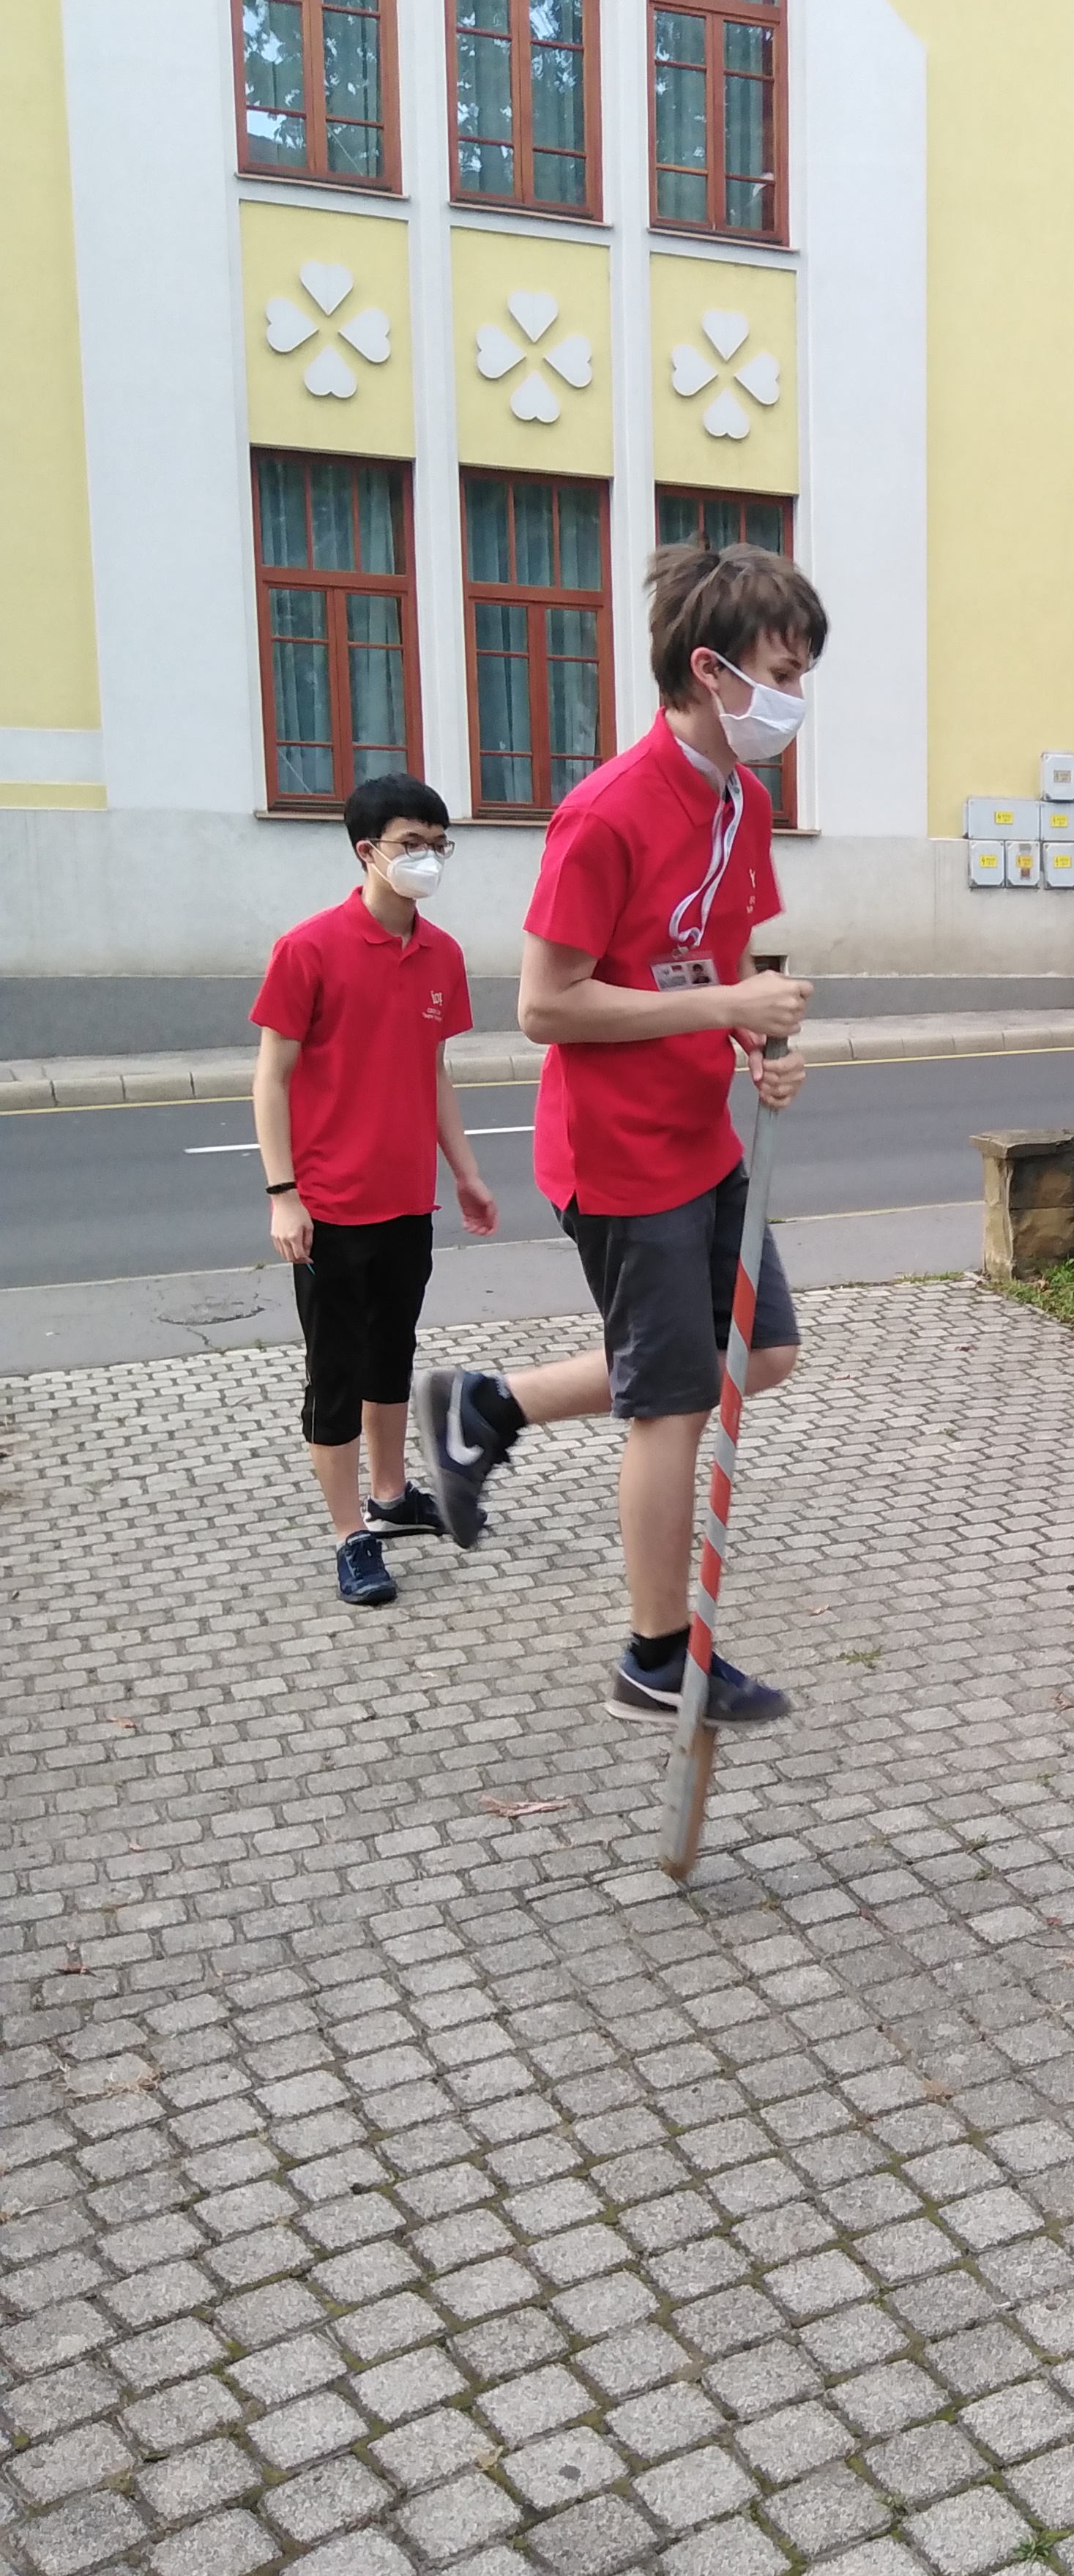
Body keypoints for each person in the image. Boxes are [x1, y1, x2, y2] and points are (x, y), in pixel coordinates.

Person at [414, 543, 821, 1725]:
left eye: (802, 674)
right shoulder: (605, 813)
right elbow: (545, 1005)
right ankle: (655, 1657)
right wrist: (724, 1005)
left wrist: (754, 1036)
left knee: (763, 1352)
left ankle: (487, 1407)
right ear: (708, 671)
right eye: (781, 674)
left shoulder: (742, 801)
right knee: (673, 1404)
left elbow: (723, 954)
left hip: (703, 1137)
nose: (795, 699)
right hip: (620, 1157)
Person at [251, 775, 499, 1610]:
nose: (428, 858)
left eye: (438, 843)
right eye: (410, 844)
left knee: (391, 1356)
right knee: (335, 1373)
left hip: (405, 1200)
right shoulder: (308, 948)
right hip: (328, 1207)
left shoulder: (442, 955)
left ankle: (391, 1494)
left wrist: (464, 1171)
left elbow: (434, 1073)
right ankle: (349, 1533)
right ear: (367, 851)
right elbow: (271, 1078)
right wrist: (284, 1193)